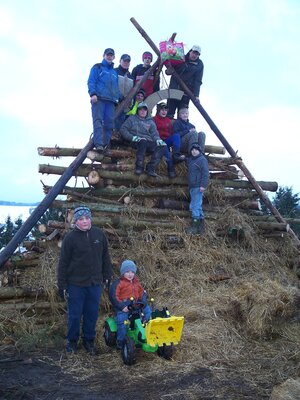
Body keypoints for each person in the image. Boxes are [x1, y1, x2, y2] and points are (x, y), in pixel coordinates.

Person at [57, 206, 113, 355]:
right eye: (81, 219)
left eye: (87, 218)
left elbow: (105, 257)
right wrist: (61, 285)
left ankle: (89, 341)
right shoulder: (70, 239)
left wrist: (107, 276)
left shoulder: (99, 235)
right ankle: (72, 342)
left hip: (95, 283)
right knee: (75, 315)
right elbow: (63, 263)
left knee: (92, 314)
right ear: (76, 221)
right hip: (76, 285)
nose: (85, 221)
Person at [109, 259, 152, 349]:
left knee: (148, 310)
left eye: (132, 272)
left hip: (136, 306)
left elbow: (142, 294)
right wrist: (122, 306)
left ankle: (146, 327)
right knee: (122, 321)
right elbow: (113, 296)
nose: (130, 274)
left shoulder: (136, 283)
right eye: (127, 271)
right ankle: (121, 341)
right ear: (122, 272)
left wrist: (143, 302)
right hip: (124, 308)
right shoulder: (118, 283)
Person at [120, 102, 166, 177]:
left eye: (144, 110)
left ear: (147, 111)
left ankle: (151, 168)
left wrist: (158, 140)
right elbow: (123, 129)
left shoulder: (151, 122)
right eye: (140, 110)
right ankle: (139, 166)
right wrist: (132, 137)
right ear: (138, 111)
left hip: (148, 142)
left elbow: (154, 134)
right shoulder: (131, 119)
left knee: (162, 146)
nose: (142, 111)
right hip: (135, 141)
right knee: (143, 141)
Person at [88, 48, 121, 152]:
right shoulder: (97, 67)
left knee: (109, 124)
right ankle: (99, 145)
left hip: (111, 101)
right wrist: (92, 93)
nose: (109, 56)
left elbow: (115, 87)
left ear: (114, 57)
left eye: (111, 55)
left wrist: (119, 96)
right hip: (99, 99)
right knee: (98, 122)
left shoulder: (114, 72)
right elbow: (91, 81)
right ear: (104, 55)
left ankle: (105, 145)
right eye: (108, 55)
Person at [166, 45, 204, 119]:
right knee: (169, 113)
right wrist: (168, 71)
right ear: (190, 51)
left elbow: (198, 80)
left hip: (186, 93)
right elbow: (170, 67)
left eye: (197, 54)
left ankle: (181, 129)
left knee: (183, 115)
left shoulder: (199, 64)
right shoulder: (180, 57)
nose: (194, 55)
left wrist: (196, 95)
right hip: (174, 89)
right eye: (194, 52)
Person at [153, 102, 185, 178]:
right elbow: (153, 132)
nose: (164, 112)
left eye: (165, 110)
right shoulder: (154, 119)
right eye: (162, 110)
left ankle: (176, 155)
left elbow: (171, 132)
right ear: (158, 110)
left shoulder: (168, 120)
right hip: (158, 141)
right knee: (166, 151)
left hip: (166, 140)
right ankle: (171, 169)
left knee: (176, 136)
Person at [185, 144, 210, 235]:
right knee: (197, 206)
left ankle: (194, 228)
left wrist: (203, 185)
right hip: (192, 186)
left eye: (196, 150)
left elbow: (206, 173)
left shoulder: (202, 160)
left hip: (198, 186)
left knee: (195, 206)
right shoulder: (192, 160)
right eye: (192, 150)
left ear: (199, 151)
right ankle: (201, 228)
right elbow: (187, 160)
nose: (194, 151)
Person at [114, 54, 134, 131]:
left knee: (121, 125)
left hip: (125, 106)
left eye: (128, 61)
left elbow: (132, 90)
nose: (126, 63)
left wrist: (130, 103)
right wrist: (118, 96)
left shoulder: (130, 76)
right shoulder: (114, 72)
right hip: (114, 103)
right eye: (124, 61)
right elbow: (112, 86)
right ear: (120, 61)